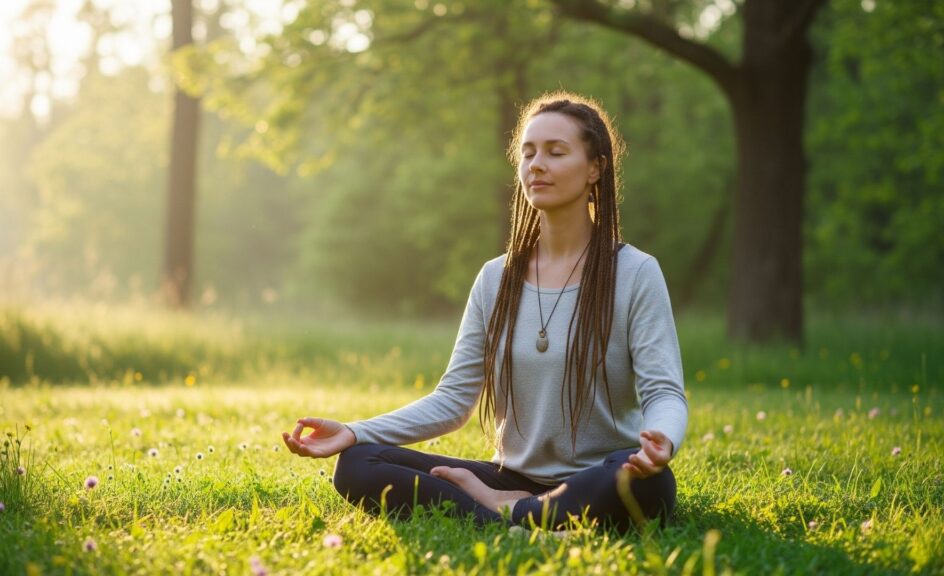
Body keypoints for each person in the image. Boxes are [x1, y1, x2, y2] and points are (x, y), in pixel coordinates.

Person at [283, 91, 688, 531]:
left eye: (556, 152)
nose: (537, 164)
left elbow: (663, 392)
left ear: (595, 168)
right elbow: (454, 400)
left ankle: (504, 511)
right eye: (528, 153)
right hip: (509, 475)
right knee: (360, 463)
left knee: (646, 483)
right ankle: (523, 511)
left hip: (598, 476)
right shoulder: (496, 278)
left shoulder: (635, 272)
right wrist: (356, 431)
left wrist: (662, 439)